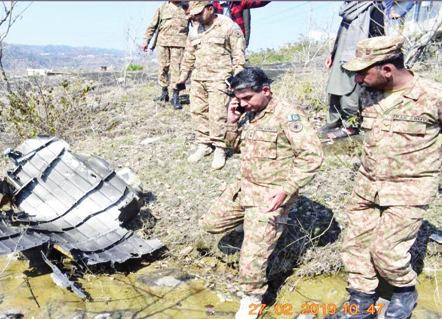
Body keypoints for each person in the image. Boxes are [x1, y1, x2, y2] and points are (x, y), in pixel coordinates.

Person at [325, 36, 440, 319]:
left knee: (386, 250)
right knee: (355, 245)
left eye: (363, 72)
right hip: (368, 184)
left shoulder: (432, 96)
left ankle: (403, 290)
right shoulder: (369, 94)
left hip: (409, 187)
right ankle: (362, 298)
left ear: (386, 70)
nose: (358, 79)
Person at [198, 67, 323, 318]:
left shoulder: (288, 116)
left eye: (247, 98)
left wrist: (286, 190)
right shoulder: (249, 113)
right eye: (238, 98)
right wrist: (232, 122)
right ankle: (252, 229)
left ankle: (252, 298)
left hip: (270, 195)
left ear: (265, 91)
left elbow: (312, 157)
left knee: (251, 257)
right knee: (210, 224)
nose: (242, 103)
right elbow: (235, 148)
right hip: (245, 187)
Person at [175, 1, 245, 170]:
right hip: (199, 78)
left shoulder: (228, 26)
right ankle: (204, 144)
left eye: (199, 13)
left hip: (219, 78)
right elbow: (189, 56)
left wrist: (237, 78)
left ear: (210, 9)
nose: (196, 17)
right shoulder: (194, 30)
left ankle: (220, 148)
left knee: (217, 114)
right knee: (197, 111)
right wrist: (183, 77)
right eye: (194, 14)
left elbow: (238, 54)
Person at [319, 1, 385, 140]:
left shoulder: (373, 6)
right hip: (341, 53)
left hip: (357, 55)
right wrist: (333, 53)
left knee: (350, 90)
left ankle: (350, 126)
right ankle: (333, 122)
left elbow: (377, 35)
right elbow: (341, 32)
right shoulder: (348, 9)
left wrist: (368, 59)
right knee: (335, 86)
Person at [142, 1, 189, 109]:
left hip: (179, 44)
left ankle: (176, 95)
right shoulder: (162, 9)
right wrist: (146, 41)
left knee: (176, 69)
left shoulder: (186, 8)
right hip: (163, 43)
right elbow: (152, 26)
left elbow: (196, 23)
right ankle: (164, 93)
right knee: (163, 68)